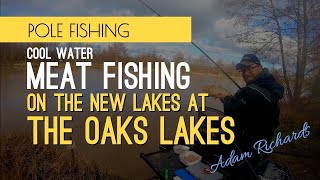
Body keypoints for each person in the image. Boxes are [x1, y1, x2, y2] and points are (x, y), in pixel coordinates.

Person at [209, 54, 285, 179]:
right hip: (263, 139)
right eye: (243, 70)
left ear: (260, 67)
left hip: (248, 145)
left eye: (250, 68)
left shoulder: (254, 92)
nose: (246, 73)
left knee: (237, 172)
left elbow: (234, 113)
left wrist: (225, 98)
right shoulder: (270, 85)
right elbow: (247, 108)